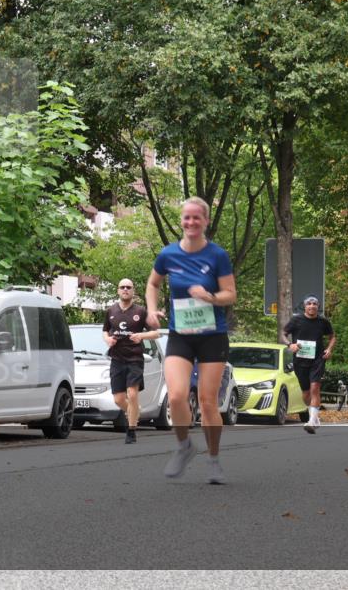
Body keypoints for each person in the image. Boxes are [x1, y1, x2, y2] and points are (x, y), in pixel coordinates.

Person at [146, 197, 236, 484]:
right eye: (187, 217)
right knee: (176, 395)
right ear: (181, 221)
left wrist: (210, 296)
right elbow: (153, 283)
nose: (191, 222)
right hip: (180, 335)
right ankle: (184, 445)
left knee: (208, 402)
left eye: (197, 217)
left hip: (212, 336)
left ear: (206, 221)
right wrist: (151, 310)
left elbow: (230, 294)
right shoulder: (168, 254)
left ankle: (214, 459)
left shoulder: (217, 255)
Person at [102, 278, 158, 444]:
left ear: (133, 291)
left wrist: (141, 335)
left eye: (128, 287)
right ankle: (134, 411)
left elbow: (155, 333)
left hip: (134, 359)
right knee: (118, 399)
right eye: (122, 287)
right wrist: (108, 339)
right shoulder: (111, 310)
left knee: (132, 394)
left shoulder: (141, 311)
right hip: (117, 358)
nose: (125, 289)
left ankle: (131, 430)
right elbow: (105, 331)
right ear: (118, 291)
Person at [283, 295, 335, 434]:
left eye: (314, 304)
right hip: (300, 361)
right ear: (305, 307)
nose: (312, 306)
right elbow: (283, 333)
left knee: (315, 388)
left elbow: (332, 337)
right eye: (309, 304)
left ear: (318, 306)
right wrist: (290, 345)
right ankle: (314, 416)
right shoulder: (296, 320)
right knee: (306, 394)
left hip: (318, 360)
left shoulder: (323, 321)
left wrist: (329, 349)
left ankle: (312, 421)